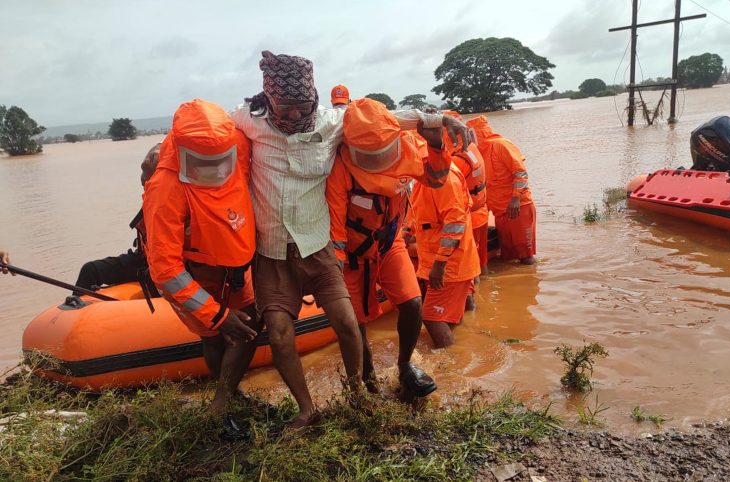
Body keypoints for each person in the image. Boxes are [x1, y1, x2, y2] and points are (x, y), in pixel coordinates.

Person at [230, 50, 469, 428]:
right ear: (269, 100)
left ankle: (400, 369)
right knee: (342, 322)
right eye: (284, 107)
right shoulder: (250, 121)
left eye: (301, 106)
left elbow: (389, 120)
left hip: (356, 245)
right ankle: (361, 386)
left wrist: (438, 121)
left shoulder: (335, 125)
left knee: (407, 304)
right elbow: (212, 132)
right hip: (297, 251)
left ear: (315, 99)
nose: (293, 115)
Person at [143, 99, 260, 419]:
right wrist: (217, 315)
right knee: (214, 335)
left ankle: (229, 393)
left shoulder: (237, 144)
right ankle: (222, 401)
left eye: (219, 160)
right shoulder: (165, 187)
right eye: (202, 162)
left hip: (235, 267)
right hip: (196, 275)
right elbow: (166, 269)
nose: (213, 169)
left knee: (249, 325)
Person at [326, 98, 452, 396]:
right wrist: (336, 264)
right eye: (369, 156)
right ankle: (367, 379)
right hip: (354, 256)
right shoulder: (341, 167)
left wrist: (436, 147)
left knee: (412, 303)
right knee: (353, 323)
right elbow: (335, 226)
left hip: (389, 244)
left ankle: (405, 366)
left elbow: (436, 179)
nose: (378, 161)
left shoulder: (408, 147)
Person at [409, 163, 481, 348]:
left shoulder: (445, 180)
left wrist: (439, 265)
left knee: (432, 318)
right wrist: (405, 233)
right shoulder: (423, 178)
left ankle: (449, 366)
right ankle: (459, 353)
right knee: (445, 318)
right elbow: (419, 214)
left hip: (450, 264)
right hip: (439, 259)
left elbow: (455, 224)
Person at [74, 143, 161, 293]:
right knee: (90, 270)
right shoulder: (151, 196)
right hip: (142, 259)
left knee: (155, 280)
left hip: (167, 265)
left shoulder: (183, 198)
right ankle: (75, 310)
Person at [467, 115, 536, 265]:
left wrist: (516, 198)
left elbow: (520, 172)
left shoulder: (501, 145)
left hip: (517, 207)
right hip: (499, 210)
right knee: (508, 256)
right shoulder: (476, 153)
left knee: (526, 256)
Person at [441, 111, 489, 310]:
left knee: (468, 269)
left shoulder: (458, 159)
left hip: (467, 218)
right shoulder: (472, 149)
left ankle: (470, 307)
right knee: (479, 264)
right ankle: (484, 293)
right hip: (480, 212)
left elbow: (449, 192)